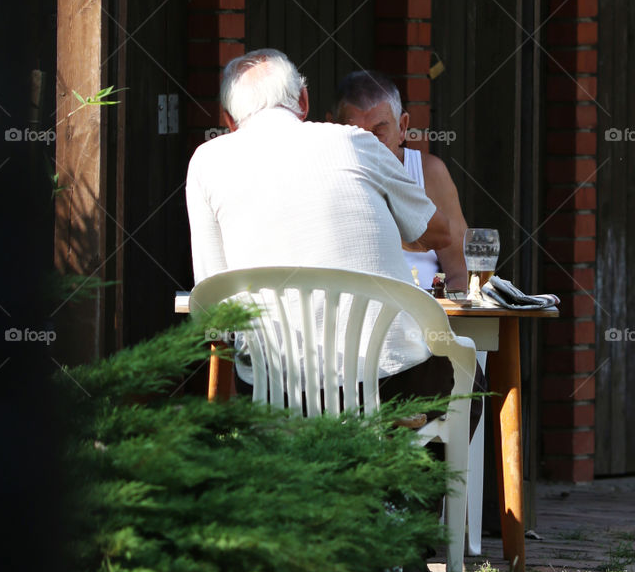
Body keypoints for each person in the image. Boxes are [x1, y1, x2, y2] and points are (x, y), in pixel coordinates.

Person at [185, 48, 453, 392]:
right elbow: (439, 234)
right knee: (469, 377)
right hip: (389, 382)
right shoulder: (357, 141)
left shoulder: (205, 163)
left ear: (228, 120)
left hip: (274, 391)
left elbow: (212, 306)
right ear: (303, 100)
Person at [332, 70, 469, 293]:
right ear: (332, 127)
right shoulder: (323, 175)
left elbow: (461, 273)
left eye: (378, 134)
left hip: (419, 308)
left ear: (403, 127)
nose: (367, 147)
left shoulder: (428, 173)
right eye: (355, 136)